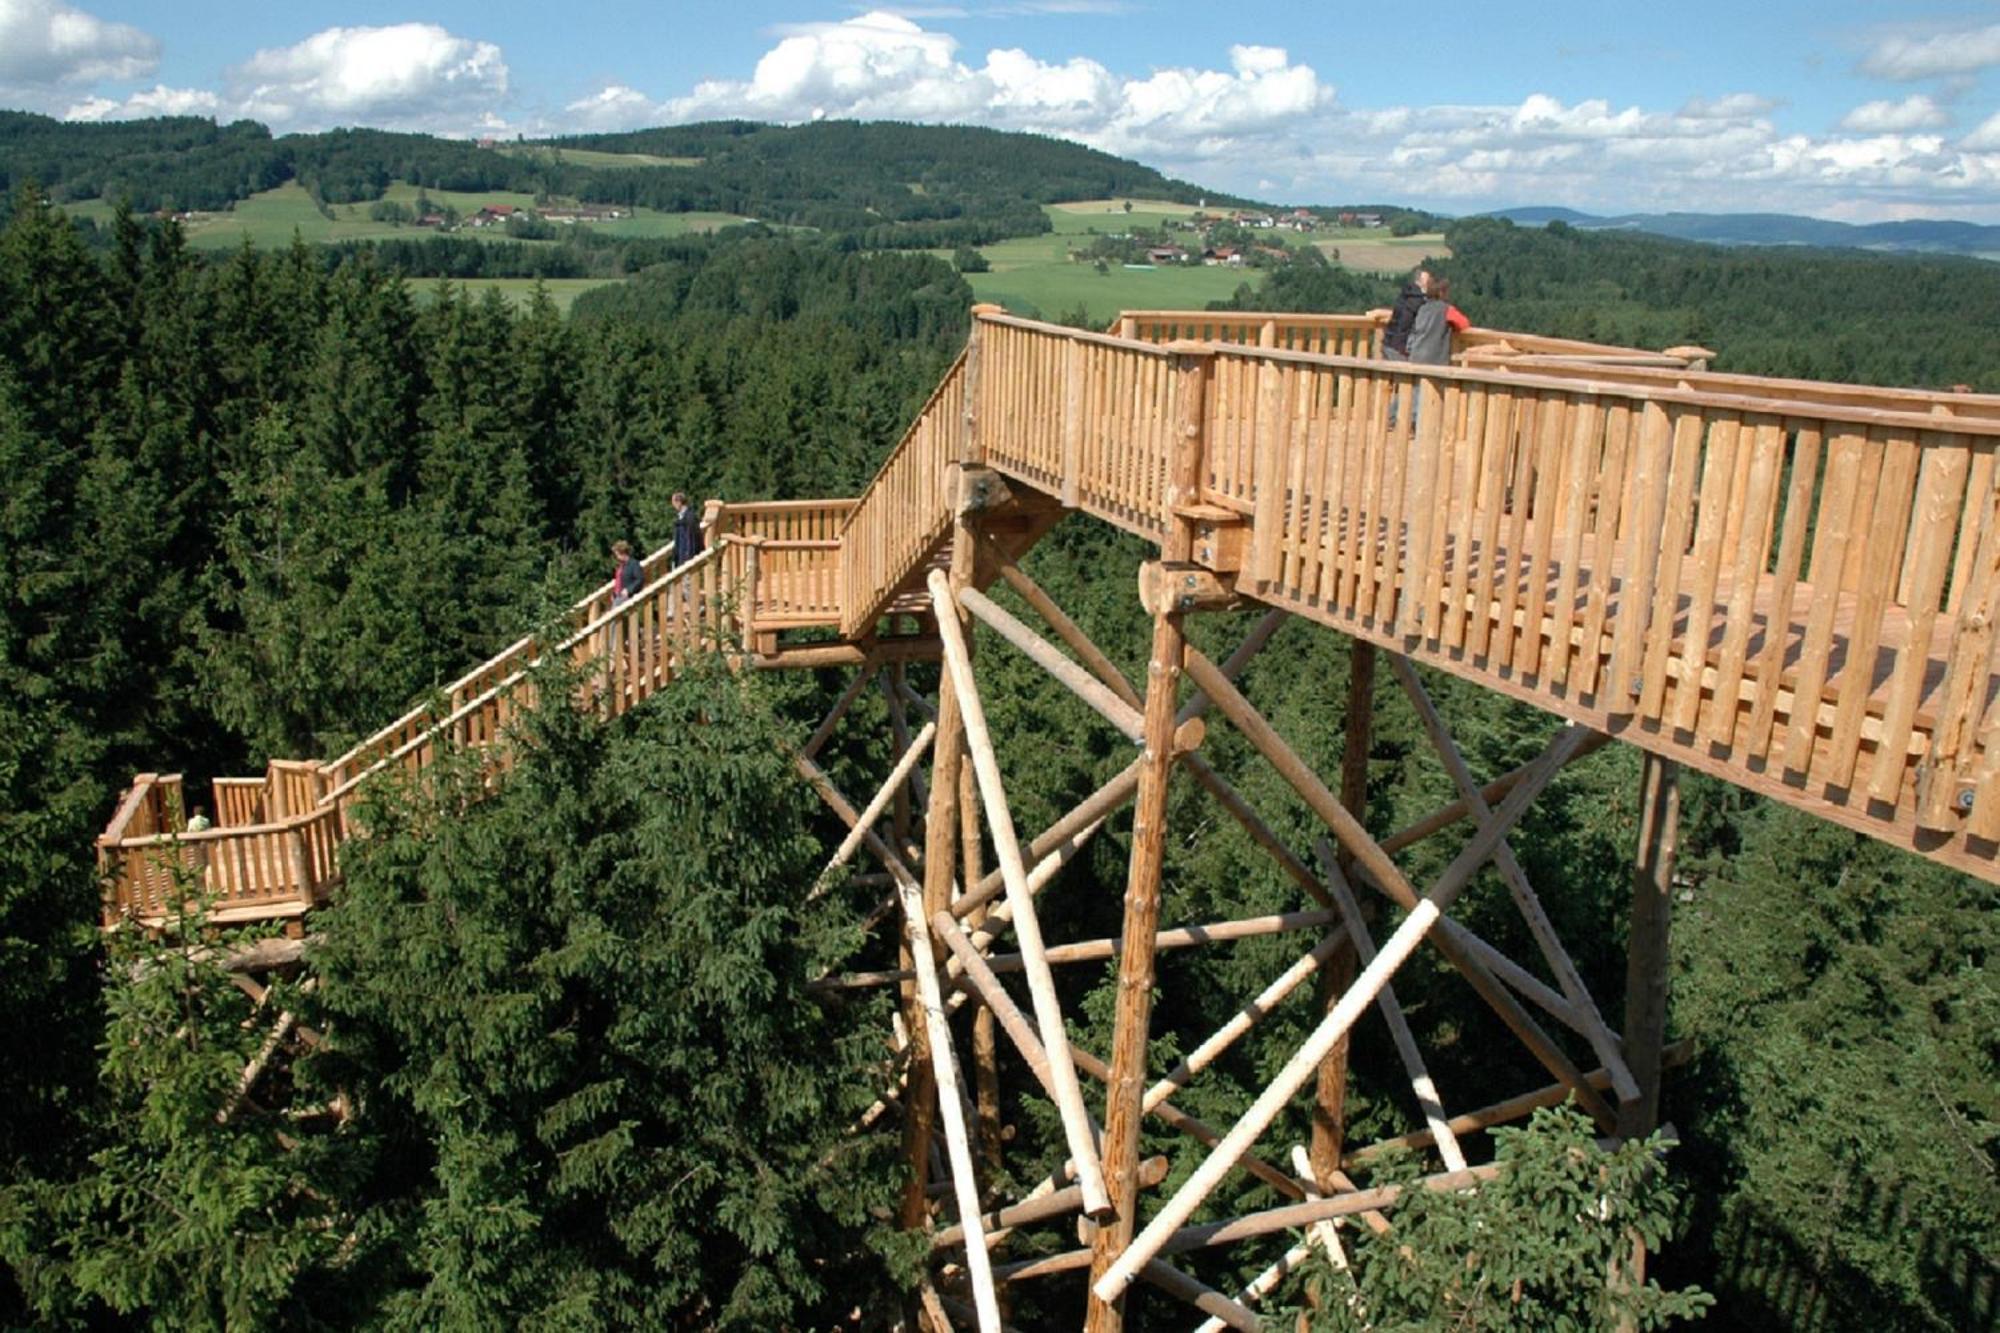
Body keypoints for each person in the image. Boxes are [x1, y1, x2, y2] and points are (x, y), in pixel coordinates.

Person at [1380, 267, 1431, 362]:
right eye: (1428, 282)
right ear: (1421, 282)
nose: (1429, 285)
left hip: (1388, 343)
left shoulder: (1404, 295)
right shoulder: (1418, 302)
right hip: (1400, 348)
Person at [672, 492, 704, 566]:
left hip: (687, 556)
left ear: (679, 502)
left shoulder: (690, 517)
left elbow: (692, 538)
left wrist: (689, 556)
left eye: (674, 502)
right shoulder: (680, 517)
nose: (673, 505)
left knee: (687, 577)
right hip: (681, 555)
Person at [610, 540, 643, 607]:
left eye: (618, 555)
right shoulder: (621, 566)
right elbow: (618, 581)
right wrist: (614, 594)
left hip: (626, 597)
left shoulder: (633, 564)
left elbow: (639, 579)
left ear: (623, 553)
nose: (617, 557)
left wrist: (628, 590)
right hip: (617, 597)